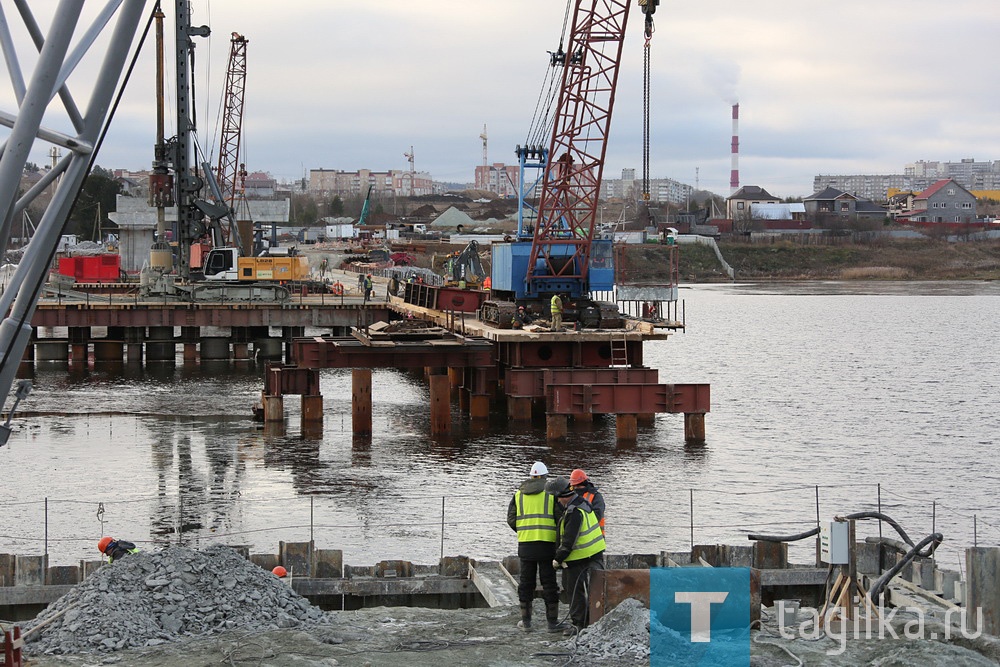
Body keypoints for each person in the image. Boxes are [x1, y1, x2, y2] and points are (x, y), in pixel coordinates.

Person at [507, 461, 565, 633]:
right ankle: (552, 623)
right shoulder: (551, 493)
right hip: (547, 546)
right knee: (549, 584)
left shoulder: (518, 495)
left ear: (531, 476)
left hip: (526, 546)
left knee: (526, 584)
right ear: (546, 476)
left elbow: (511, 518)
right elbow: (560, 517)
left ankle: (526, 623)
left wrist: (524, 530)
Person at [546, 475, 606, 636]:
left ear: (564, 497)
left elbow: (569, 541)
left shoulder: (574, 512)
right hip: (595, 553)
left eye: (558, 498)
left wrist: (557, 559)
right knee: (596, 588)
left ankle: (579, 624)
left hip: (580, 556)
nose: (557, 502)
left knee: (573, 590)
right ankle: (593, 621)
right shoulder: (583, 503)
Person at [569, 469, 605, 535]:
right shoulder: (571, 495)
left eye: (578, 486)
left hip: (595, 537)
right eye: (574, 486)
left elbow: (597, 516)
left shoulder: (596, 497)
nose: (576, 488)